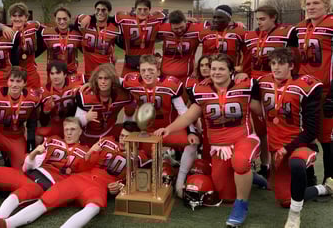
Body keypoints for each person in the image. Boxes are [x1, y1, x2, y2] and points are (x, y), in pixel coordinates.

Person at [155, 53, 262, 227]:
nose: (216, 72)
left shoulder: (246, 86)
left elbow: (260, 107)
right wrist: (168, 129)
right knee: (224, 194)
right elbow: (188, 116)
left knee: (241, 162)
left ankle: (241, 205)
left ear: (231, 71)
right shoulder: (201, 90)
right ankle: (251, 177)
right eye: (214, 69)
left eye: (221, 69)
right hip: (219, 147)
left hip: (243, 139)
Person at [0, 124, 149, 228]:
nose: (122, 139)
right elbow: (86, 160)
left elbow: (140, 184)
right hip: (80, 179)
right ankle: (6, 224)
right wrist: (92, 151)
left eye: (127, 137)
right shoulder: (107, 141)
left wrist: (122, 187)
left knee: (94, 207)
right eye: (122, 136)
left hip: (100, 187)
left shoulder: (140, 157)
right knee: (46, 200)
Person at [257, 48, 333, 228]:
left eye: (281, 63)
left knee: (296, 164)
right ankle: (324, 189)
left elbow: (311, 131)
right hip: (276, 147)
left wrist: (287, 148)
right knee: (284, 199)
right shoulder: (262, 82)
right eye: (273, 63)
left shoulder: (306, 86)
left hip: (299, 143)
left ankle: (294, 216)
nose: (276, 68)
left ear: (291, 66)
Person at [122, 54, 198, 197]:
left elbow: (183, 112)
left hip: (167, 129)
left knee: (192, 143)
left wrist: (191, 132)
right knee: (142, 160)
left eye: (151, 70)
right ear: (139, 70)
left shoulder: (170, 85)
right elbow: (114, 82)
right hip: (147, 131)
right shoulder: (131, 82)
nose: (147, 74)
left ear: (158, 70)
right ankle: (140, 178)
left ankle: (180, 181)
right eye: (144, 70)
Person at [243, 5, 300, 180]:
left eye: (262, 18)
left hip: (278, 82)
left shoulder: (286, 32)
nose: (258, 22)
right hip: (257, 83)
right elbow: (246, 61)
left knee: (279, 122)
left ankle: (286, 162)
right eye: (257, 19)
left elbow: (294, 58)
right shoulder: (250, 36)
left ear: (273, 17)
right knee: (259, 125)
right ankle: (265, 164)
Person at [296, 0, 333, 184]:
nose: (311, 7)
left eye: (316, 3)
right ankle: (309, 177)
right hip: (305, 91)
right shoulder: (301, 27)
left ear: (327, 5)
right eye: (308, 4)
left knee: (327, 138)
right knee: (306, 135)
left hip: (326, 91)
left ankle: (329, 179)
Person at [0, 66, 40, 170]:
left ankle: (8, 158)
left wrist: (29, 146)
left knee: (21, 170)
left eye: (18, 81)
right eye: (12, 80)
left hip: (16, 137)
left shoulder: (32, 98)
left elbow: (32, 123)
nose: (14, 84)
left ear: (25, 83)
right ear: (7, 81)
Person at [75, 63, 133, 145]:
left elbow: (134, 85)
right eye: (100, 78)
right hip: (88, 137)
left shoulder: (122, 94)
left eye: (106, 78)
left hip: (109, 133)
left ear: (112, 80)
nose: (103, 82)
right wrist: (86, 118)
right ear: (96, 80)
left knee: (133, 129)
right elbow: (74, 123)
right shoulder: (85, 95)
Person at [38, 61, 85, 144]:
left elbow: (94, 81)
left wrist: (86, 86)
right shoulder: (43, 92)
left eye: (58, 73)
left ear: (65, 74)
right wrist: (45, 111)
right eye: (52, 73)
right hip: (55, 123)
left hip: (73, 121)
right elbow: (42, 121)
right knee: (37, 138)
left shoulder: (75, 82)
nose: (55, 76)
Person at [115, 0, 166, 76]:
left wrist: (186, 19)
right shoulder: (124, 19)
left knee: (149, 87)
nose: (142, 12)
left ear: (150, 10)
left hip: (149, 65)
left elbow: (173, 20)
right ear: (135, 9)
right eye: (139, 9)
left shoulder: (157, 18)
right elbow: (106, 20)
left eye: (145, 9)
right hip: (130, 66)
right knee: (126, 86)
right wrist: (89, 17)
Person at [77, 0, 121, 79]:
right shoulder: (86, 23)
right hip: (90, 72)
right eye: (98, 9)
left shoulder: (115, 28)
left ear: (109, 11)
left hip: (107, 72)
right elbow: (76, 21)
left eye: (103, 10)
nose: (100, 12)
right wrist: (90, 16)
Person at [199, 5, 246, 73]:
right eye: (214, 17)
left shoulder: (239, 32)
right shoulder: (205, 32)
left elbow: (246, 54)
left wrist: (241, 66)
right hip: (211, 71)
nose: (215, 20)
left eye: (219, 17)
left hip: (232, 71)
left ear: (229, 19)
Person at [157, 10, 202, 81]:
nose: (179, 30)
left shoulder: (196, 30)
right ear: (170, 25)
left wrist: (197, 68)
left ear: (185, 22)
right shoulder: (164, 29)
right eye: (176, 28)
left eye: (181, 27)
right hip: (165, 77)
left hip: (186, 77)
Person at [38, 7, 82, 78]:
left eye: (65, 19)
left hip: (71, 75)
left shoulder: (78, 34)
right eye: (59, 19)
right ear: (55, 19)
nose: (62, 22)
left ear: (69, 19)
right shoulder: (46, 33)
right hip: (54, 76)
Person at [8, 2, 44, 88]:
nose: (17, 19)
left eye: (20, 16)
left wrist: (35, 54)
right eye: (14, 16)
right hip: (12, 75)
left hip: (30, 73)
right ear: (10, 17)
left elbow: (47, 35)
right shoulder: (5, 33)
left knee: (34, 99)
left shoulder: (32, 28)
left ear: (26, 17)